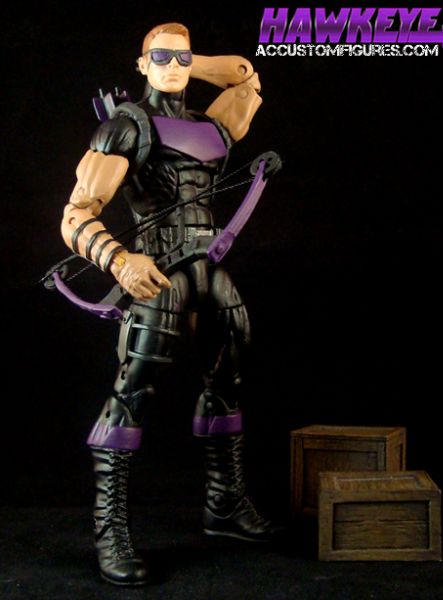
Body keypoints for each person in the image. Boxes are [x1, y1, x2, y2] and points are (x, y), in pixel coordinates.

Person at [61, 22, 277, 586]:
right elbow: (76, 215)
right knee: (132, 391)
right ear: (141, 64)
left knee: (228, 378)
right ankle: (110, 530)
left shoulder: (210, 125)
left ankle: (224, 504)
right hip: (156, 273)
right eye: (160, 57)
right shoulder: (126, 126)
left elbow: (247, 79)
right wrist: (118, 260)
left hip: (209, 271)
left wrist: (183, 61)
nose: (175, 65)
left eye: (182, 57)